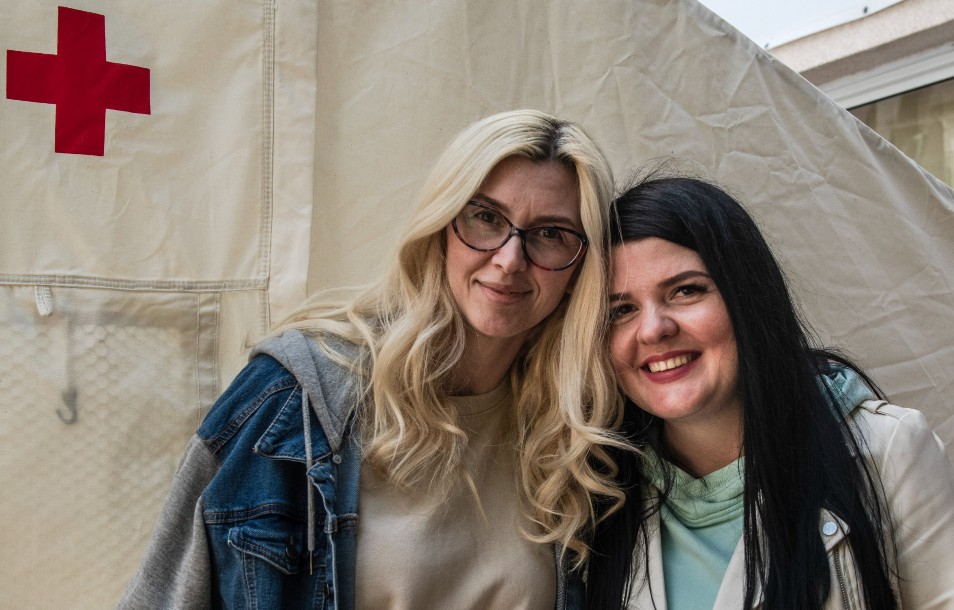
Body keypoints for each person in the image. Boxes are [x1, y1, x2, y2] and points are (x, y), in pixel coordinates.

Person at [118, 109, 625, 609]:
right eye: (487, 217)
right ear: (443, 223)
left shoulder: (576, 434)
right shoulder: (291, 397)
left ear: (584, 265)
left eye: (551, 233)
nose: (509, 260)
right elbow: (165, 596)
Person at [586, 176, 954, 609]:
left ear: (747, 297)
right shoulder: (592, 492)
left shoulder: (889, 452)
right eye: (621, 310)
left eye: (686, 290)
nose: (655, 329)